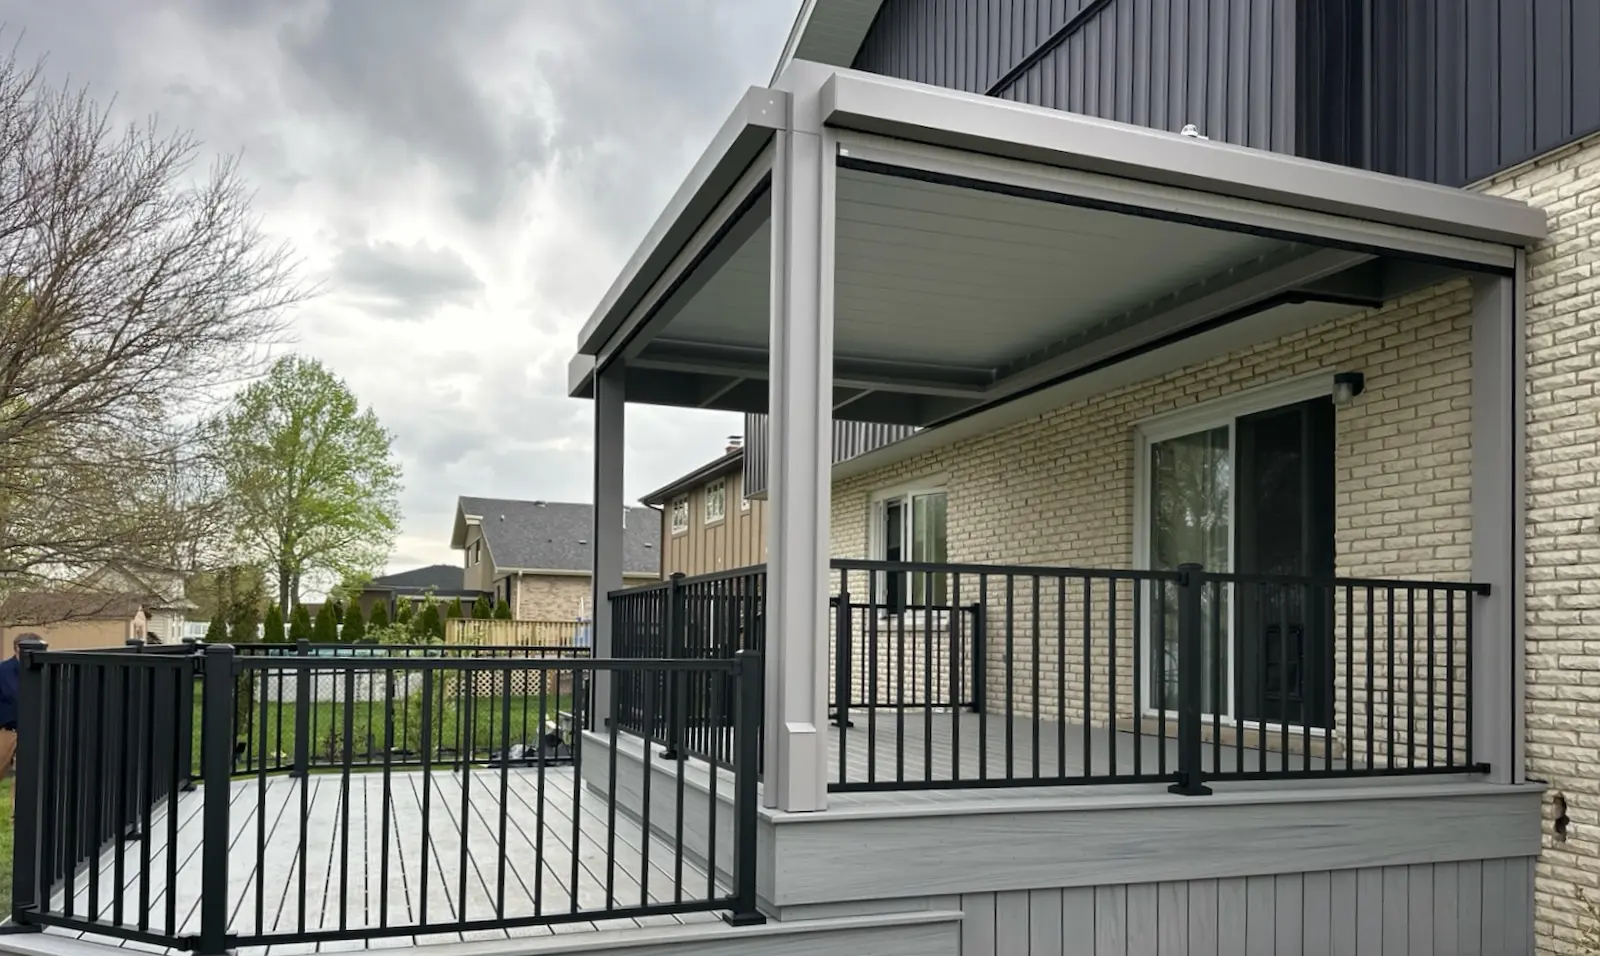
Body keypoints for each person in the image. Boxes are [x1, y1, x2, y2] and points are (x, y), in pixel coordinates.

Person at [0, 632, 36, 819]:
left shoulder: (42, 669)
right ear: (16, 649)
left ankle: (19, 817)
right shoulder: (3, 671)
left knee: (25, 778)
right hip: (7, 731)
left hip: (31, 731)